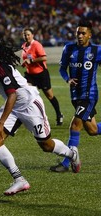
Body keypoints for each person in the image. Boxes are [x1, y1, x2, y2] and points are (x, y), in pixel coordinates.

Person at [0, 39, 81, 195]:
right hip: (12, 107)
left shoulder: (0, 68)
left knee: (46, 146)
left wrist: (1, 123)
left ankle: (71, 154)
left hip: (29, 105)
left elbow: (13, 95)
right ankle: (19, 179)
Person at [50, 20, 101, 172]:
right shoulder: (68, 48)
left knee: (75, 125)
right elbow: (62, 69)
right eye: (78, 32)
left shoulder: (97, 50)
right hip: (75, 95)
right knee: (92, 130)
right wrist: (68, 79)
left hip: (89, 95)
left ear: (89, 35)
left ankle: (67, 162)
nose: (80, 35)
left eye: (83, 33)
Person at [21, 28, 63, 126]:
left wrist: (31, 61)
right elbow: (27, 58)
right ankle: (26, 118)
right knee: (26, 94)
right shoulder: (23, 46)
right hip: (30, 75)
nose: (26, 36)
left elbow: (44, 57)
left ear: (32, 35)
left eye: (28, 34)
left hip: (41, 74)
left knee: (49, 96)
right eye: (24, 35)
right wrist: (25, 63)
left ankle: (59, 114)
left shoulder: (36, 44)